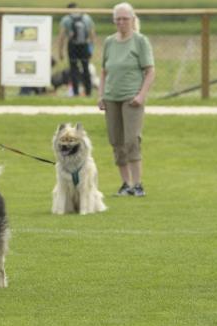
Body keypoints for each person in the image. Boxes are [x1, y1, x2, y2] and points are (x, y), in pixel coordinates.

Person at [97, 2, 155, 197]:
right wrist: (101, 94)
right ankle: (125, 183)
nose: (121, 22)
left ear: (132, 20)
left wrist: (141, 95)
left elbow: (150, 71)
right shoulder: (109, 42)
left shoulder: (140, 41)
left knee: (132, 140)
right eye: (118, 19)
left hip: (131, 98)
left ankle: (138, 184)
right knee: (116, 141)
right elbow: (104, 71)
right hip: (111, 96)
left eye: (125, 19)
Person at [58, 2, 95, 97]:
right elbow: (92, 34)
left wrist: (60, 52)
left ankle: (75, 92)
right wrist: (91, 49)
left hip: (72, 46)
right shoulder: (87, 18)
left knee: (73, 69)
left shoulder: (66, 19)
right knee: (86, 69)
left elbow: (61, 36)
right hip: (84, 46)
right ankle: (88, 92)